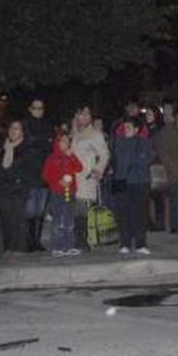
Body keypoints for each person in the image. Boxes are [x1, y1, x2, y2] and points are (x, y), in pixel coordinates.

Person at [70, 106, 110, 250]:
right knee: (76, 209)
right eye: (82, 114)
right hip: (73, 177)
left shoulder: (95, 134)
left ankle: (83, 241)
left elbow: (105, 154)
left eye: (88, 114)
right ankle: (78, 240)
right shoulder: (75, 133)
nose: (86, 117)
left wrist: (98, 169)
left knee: (84, 208)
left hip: (87, 176)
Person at [113, 117, 154, 254]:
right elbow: (120, 159)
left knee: (139, 213)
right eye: (125, 127)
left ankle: (140, 243)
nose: (126, 130)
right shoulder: (119, 142)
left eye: (129, 127)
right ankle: (124, 243)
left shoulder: (144, 142)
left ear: (137, 129)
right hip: (121, 180)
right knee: (123, 213)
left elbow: (147, 158)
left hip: (139, 181)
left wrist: (134, 160)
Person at [0, 120, 37, 254]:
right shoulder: (2, 147)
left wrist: (18, 179)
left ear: (22, 132)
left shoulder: (27, 148)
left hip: (19, 190)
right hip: (4, 190)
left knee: (18, 221)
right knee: (7, 222)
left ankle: (19, 251)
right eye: (12, 128)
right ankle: (9, 249)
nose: (14, 131)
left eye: (17, 128)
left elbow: (28, 169)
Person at [42, 132, 83, 257]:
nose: (65, 143)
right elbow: (46, 175)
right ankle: (57, 246)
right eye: (63, 141)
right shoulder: (52, 158)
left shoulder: (70, 156)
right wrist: (57, 181)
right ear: (57, 142)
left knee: (69, 220)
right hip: (57, 193)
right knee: (58, 220)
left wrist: (72, 157)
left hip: (70, 193)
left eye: (67, 141)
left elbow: (79, 168)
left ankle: (69, 246)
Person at [22, 99, 53, 251]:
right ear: (30, 109)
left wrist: (38, 142)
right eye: (35, 108)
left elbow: (49, 144)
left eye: (41, 108)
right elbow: (28, 143)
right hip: (29, 172)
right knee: (30, 209)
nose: (38, 110)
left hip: (44, 172)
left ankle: (37, 241)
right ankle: (29, 242)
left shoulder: (47, 124)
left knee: (40, 209)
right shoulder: (25, 124)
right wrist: (41, 142)